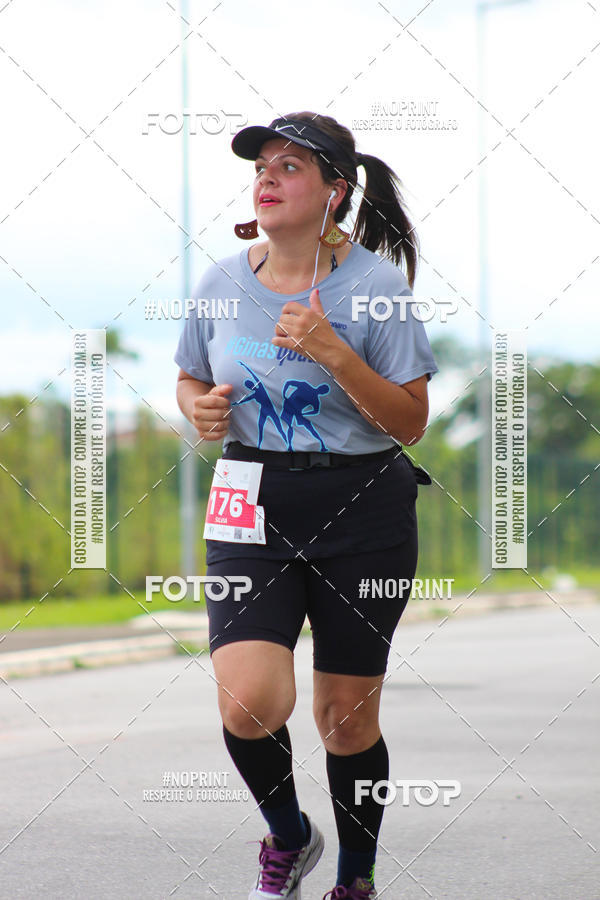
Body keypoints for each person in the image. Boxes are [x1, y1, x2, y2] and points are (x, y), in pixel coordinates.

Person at [174, 112, 439, 900]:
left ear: (335, 192)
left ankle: (355, 882)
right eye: (263, 164)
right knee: (250, 703)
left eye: (291, 166)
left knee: (344, 721)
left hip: (362, 502)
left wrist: (334, 353)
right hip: (246, 494)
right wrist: (198, 410)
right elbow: (188, 376)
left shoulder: (376, 287)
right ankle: (289, 838)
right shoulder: (220, 281)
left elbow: (411, 421)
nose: (268, 176)